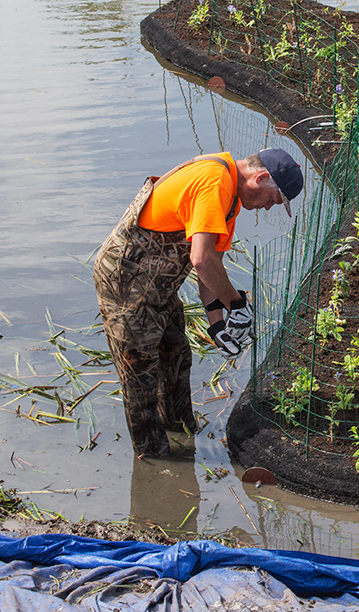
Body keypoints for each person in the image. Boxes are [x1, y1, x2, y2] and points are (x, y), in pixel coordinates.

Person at [94, 148, 303, 458]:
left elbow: (211, 262)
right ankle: (155, 462)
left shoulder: (230, 195)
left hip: (158, 286)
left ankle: (183, 435)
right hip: (126, 284)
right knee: (141, 378)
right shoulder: (214, 182)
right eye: (274, 199)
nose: (269, 207)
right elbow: (201, 260)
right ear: (260, 178)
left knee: (176, 355)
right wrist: (237, 304)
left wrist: (216, 323)